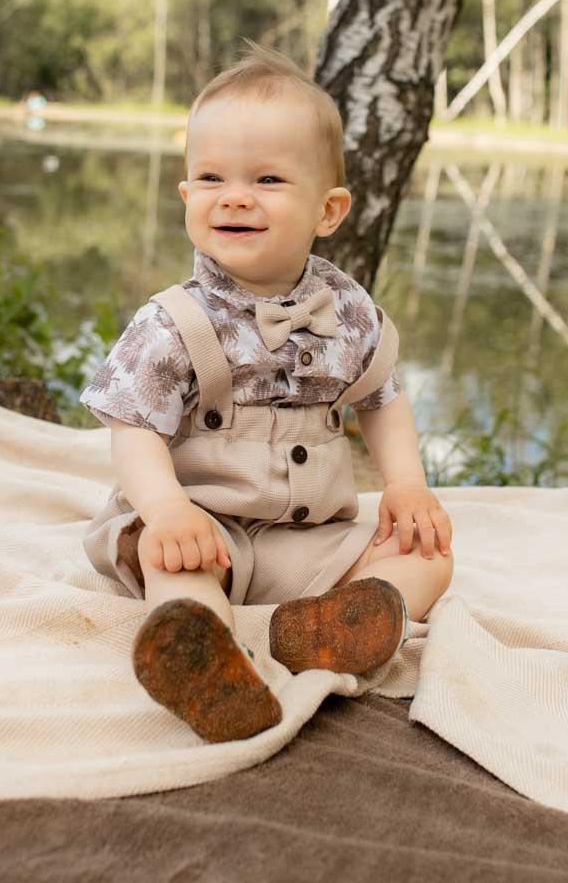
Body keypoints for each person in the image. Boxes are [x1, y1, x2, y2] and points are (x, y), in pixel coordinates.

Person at [80, 41, 454, 743]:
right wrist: (165, 510)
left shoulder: (347, 310)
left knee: (429, 557)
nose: (236, 195)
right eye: (212, 177)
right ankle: (200, 653)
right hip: (199, 526)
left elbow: (382, 397)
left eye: (269, 180)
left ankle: (328, 630)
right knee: (177, 570)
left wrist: (406, 485)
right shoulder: (172, 321)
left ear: (329, 209)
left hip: (303, 537)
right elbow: (132, 429)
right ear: (188, 196)